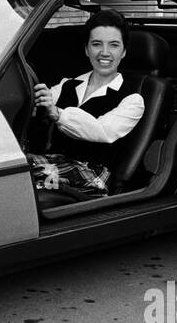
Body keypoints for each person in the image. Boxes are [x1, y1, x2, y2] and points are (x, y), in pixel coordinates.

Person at [28, 10, 145, 198]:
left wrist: (58, 114)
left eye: (114, 45)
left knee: (24, 176)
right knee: (10, 168)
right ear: (86, 49)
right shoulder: (67, 84)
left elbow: (103, 131)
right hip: (56, 163)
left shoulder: (132, 99)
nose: (104, 53)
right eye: (96, 44)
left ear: (123, 52)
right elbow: (40, 105)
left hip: (94, 175)